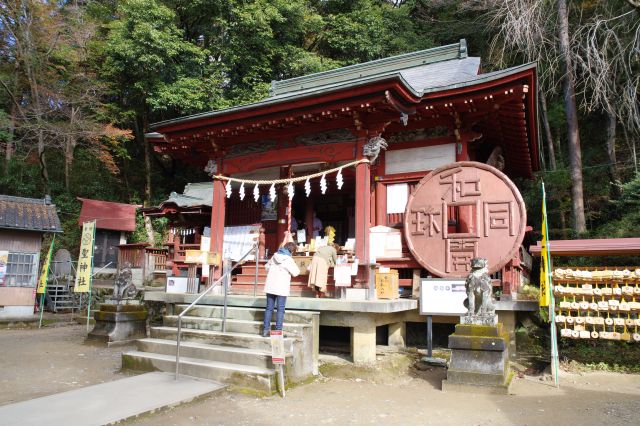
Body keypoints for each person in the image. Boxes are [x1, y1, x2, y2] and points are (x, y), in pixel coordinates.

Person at [262, 242, 300, 337]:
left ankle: (265, 330)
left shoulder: (274, 256)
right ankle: (278, 331)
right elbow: (296, 272)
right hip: (281, 287)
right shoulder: (288, 259)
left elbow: (266, 267)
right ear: (291, 250)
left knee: (269, 308)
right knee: (280, 309)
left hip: (271, 286)